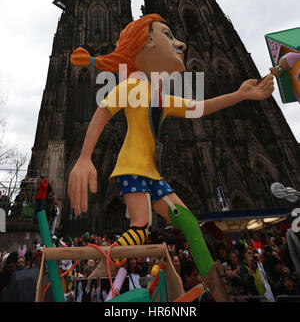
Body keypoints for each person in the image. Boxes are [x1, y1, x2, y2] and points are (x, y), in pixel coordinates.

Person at [68, 14, 274, 283]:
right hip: (132, 168)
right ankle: (102, 269)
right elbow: (102, 112)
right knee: (140, 225)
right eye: (168, 34)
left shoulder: (161, 98)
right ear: (148, 42)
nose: (181, 44)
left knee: (188, 222)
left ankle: (214, 284)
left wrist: (240, 94)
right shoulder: (132, 85)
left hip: (153, 173)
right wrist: (84, 158)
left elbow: (199, 108)